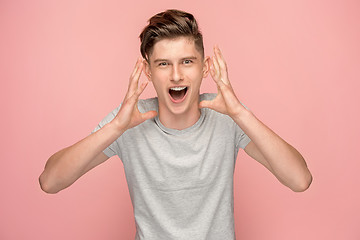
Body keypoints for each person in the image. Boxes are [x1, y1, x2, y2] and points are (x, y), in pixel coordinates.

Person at [39, 9, 312, 240]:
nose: (177, 75)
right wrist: (116, 127)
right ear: (148, 71)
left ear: (204, 68)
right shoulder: (129, 120)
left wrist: (240, 113)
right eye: (163, 64)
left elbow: (300, 180)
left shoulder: (227, 117)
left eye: (187, 62)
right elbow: (50, 182)